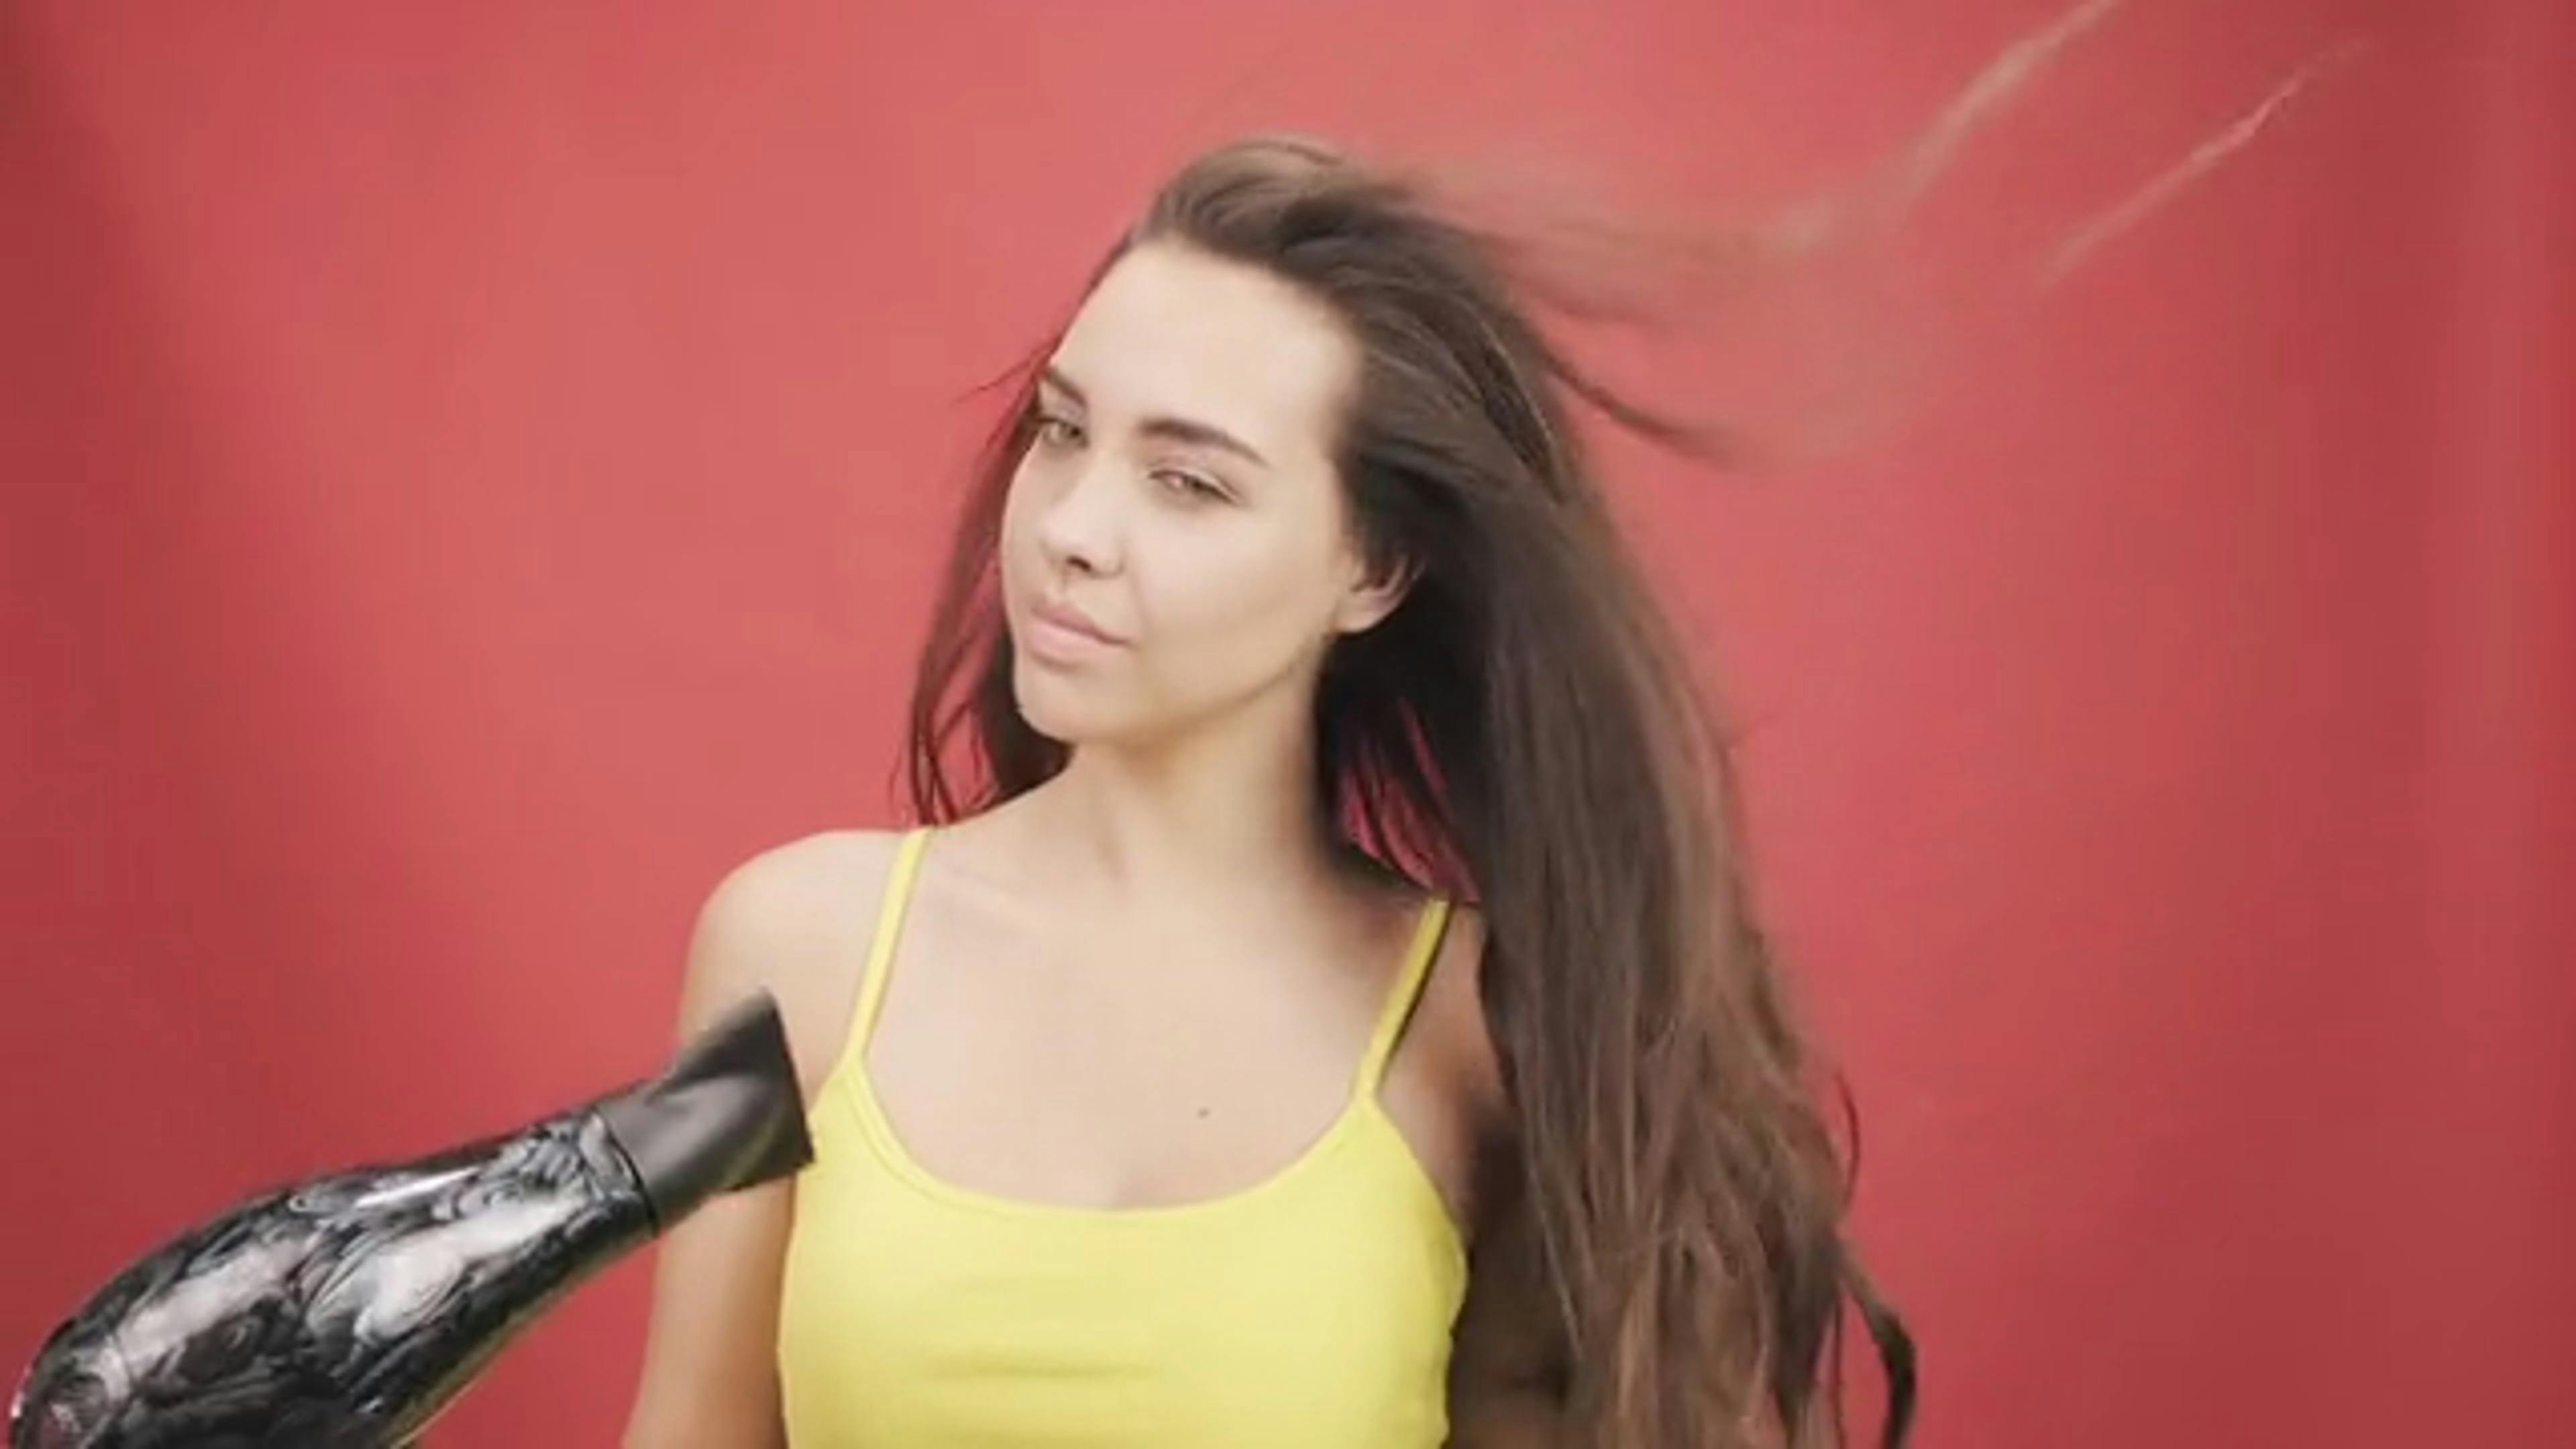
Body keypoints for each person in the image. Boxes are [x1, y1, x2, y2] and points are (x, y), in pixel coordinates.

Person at [620, 133, 1911, 1449]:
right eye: (1064, 431)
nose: (1070, 529)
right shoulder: (794, 950)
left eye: (1188, 482)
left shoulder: (1476, 1027)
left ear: (1372, 567)